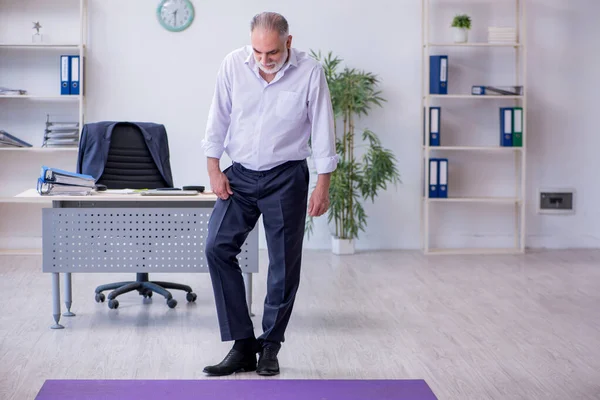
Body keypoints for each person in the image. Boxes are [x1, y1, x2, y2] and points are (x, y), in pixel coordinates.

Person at [200, 11, 337, 376]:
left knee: (283, 264)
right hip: (240, 176)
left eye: (272, 52)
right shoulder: (233, 64)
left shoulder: (310, 72)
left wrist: (322, 183)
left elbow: (323, 129)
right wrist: (214, 169)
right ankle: (243, 345)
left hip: (287, 177)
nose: (264, 60)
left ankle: (271, 346)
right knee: (217, 247)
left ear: (288, 43)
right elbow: (218, 118)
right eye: (258, 52)